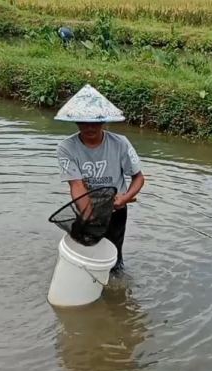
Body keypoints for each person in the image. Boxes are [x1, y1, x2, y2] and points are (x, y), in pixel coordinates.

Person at [54, 84, 145, 273]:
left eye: (95, 122)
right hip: (86, 207)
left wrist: (125, 197)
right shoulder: (66, 148)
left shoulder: (120, 144)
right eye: (83, 122)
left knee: (114, 256)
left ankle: (115, 284)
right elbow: (77, 184)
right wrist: (89, 218)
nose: (89, 127)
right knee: (86, 254)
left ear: (104, 121)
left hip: (116, 209)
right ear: (76, 122)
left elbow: (138, 178)